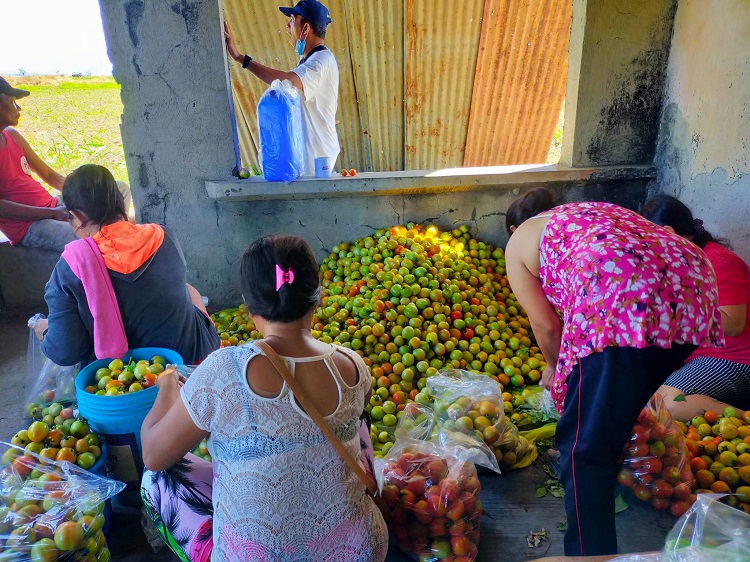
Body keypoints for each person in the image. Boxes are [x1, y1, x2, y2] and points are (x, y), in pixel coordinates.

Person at [140, 235, 387, 562]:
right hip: (359, 551)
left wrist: (169, 387)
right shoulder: (353, 366)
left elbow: (153, 456)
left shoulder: (223, 369)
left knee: (155, 479)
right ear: (318, 297)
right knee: (358, 428)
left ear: (248, 305)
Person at [504, 200, 723, 556]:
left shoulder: (517, 245)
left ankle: (591, 553)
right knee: (614, 416)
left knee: (581, 449)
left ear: (514, 228)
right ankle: (621, 471)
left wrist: (553, 366)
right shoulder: (588, 212)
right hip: (694, 281)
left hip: (620, 293)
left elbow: (546, 325)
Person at [35, 164, 219, 366]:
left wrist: (45, 331)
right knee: (189, 289)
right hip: (193, 358)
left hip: (127, 379)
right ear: (120, 203)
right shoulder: (163, 235)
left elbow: (65, 352)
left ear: (77, 217)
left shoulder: (70, 268)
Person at [641, 194, 750, 419]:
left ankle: (745, 420)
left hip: (736, 359)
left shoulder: (718, 261)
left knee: (668, 404)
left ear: (668, 233)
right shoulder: (679, 263)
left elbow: (734, 323)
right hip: (697, 355)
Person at [0, 77, 133, 252]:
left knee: (118, 189)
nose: (18, 108)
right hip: (29, 226)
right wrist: (53, 214)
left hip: (53, 205)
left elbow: (49, 176)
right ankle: (114, 254)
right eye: (12, 102)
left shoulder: (12, 136)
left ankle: (116, 241)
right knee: (92, 240)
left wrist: (82, 190)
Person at [224, 0, 340, 175]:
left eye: (292, 20)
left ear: (306, 28)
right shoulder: (310, 60)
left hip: (316, 163)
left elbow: (287, 81)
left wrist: (242, 59)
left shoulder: (320, 61)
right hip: (311, 161)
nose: (287, 26)